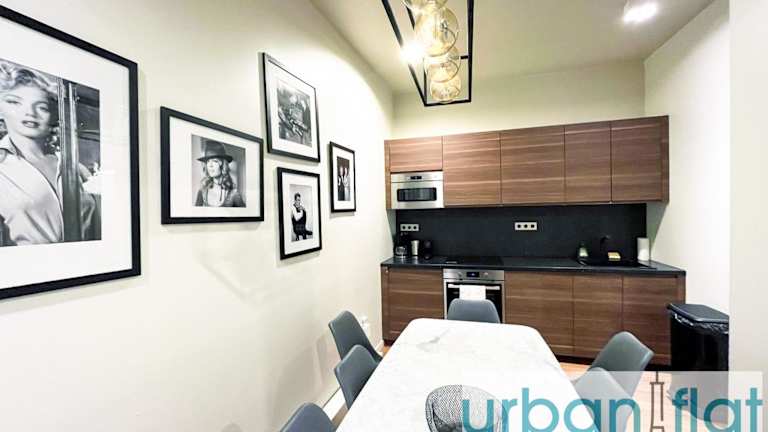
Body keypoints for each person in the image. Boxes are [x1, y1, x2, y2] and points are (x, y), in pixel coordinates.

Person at [0, 62, 100, 246]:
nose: (30, 113)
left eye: (42, 107)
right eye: (14, 102)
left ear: (53, 115)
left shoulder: (75, 167)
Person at [194, 140, 245, 208]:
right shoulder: (202, 192)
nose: (210, 165)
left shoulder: (233, 194)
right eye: (208, 161)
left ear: (223, 164)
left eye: (215, 161)